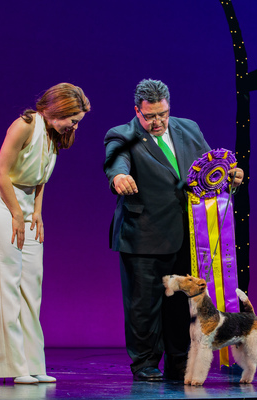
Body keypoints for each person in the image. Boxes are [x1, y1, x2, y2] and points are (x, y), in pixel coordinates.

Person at [104, 79, 244, 381]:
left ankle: (179, 362)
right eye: (150, 116)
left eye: (163, 114)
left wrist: (229, 175)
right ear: (137, 111)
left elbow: (211, 167)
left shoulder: (188, 128)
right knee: (144, 306)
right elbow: (116, 161)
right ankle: (145, 363)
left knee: (182, 304)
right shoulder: (122, 135)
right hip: (143, 234)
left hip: (188, 234)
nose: (157, 121)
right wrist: (118, 177)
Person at [0, 83, 90, 384]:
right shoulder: (24, 125)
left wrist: (37, 213)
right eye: (73, 118)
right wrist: (17, 212)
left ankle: (33, 364)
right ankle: (13, 367)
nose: (75, 125)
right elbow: (2, 171)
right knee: (9, 282)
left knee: (32, 283)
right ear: (58, 109)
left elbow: (40, 179)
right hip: (4, 202)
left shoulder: (54, 136)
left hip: (27, 204)